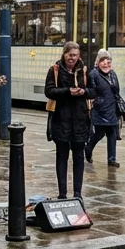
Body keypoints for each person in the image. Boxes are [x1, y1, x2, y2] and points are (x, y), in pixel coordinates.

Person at [44, 41, 96, 201]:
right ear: (64, 54)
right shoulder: (55, 70)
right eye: (69, 55)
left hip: (80, 120)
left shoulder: (85, 72)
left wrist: (83, 91)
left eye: (75, 55)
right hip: (61, 120)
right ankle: (62, 193)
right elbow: (49, 91)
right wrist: (67, 92)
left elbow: (93, 91)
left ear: (79, 56)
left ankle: (78, 193)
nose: (72, 58)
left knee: (79, 157)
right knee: (62, 156)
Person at [87, 50, 123, 168]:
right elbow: (91, 91)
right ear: (98, 62)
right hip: (100, 109)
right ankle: (88, 148)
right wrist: (97, 101)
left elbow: (116, 91)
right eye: (103, 60)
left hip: (112, 108)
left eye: (108, 60)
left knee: (112, 133)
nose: (106, 63)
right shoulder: (93, 74)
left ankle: (111, 159)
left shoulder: (112, 74)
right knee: (99, 133)